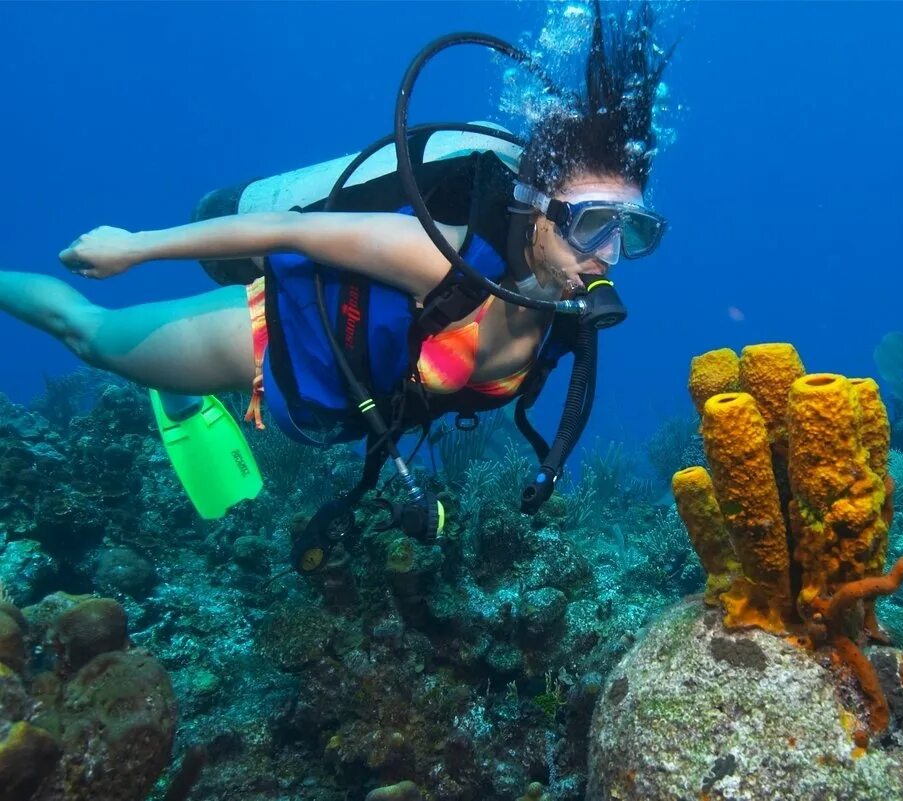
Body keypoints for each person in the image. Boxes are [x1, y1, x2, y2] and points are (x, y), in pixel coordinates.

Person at [0, 2, 673, 539]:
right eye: (592, 224)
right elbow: (287, 229)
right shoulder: (437, 253)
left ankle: (178, 393)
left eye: (632, 232)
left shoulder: (570, 310)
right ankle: (168, 378)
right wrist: (134, 247)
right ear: (534, 206)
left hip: (340, 409)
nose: (606, 256)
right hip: (278, 345)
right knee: (88, 334)